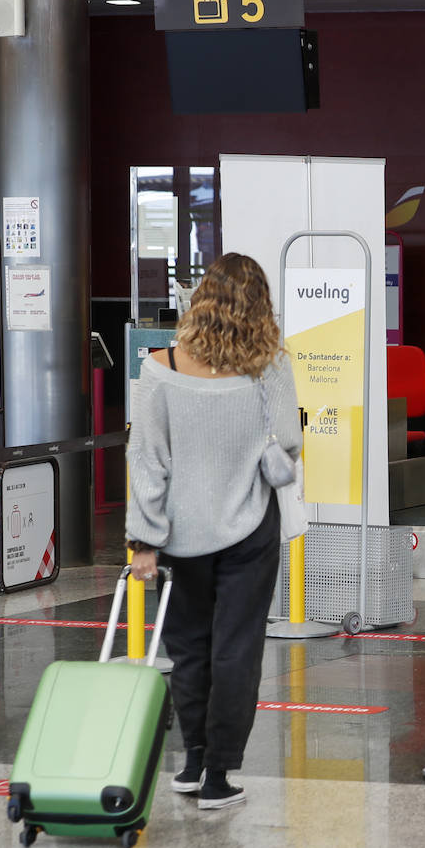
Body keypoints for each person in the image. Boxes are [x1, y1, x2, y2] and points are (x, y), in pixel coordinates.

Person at [126, 252, 302, 809]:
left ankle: (193, 759)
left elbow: (147, 461)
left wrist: (143, 540)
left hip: (179, 533)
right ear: (260, 306)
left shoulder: (159, 368)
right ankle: (220, 777)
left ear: (200, 300)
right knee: (236, 649)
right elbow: (289, 444)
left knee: (188, 646)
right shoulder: (270, 366)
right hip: (250, 526)